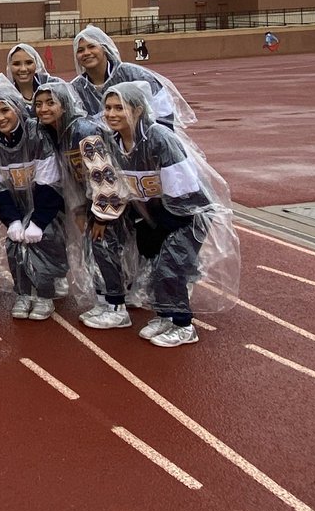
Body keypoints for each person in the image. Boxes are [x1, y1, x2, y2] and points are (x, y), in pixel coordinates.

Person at [102, 81, 238, 347]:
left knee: (170, 267)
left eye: (120, 107)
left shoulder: (159, 139)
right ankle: (165, 315)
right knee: (155, 267)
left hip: (188, 214)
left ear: (138, 110)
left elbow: (185, 193)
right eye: (107, 108)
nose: (112, 114)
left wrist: (162, 227)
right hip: (157, 215)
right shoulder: (114, 142)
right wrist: (144, 222)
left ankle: (184, 325)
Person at [32, 80, 131, 329]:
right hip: (91, 201)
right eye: (39, 104)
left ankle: (118, 307)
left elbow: (104, 175)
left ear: (64, 105)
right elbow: (72, 178)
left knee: (106, 248)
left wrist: (102, 217)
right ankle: (103, 300)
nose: (43, 108)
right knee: (94, 251)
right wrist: (78, 208)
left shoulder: (82, 131)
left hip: (110, 202)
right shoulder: (55, 133)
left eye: (50, 103)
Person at [0, 75, 72, 321]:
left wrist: (39, 221)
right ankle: (23, 292)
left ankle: (44, 293)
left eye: (4, 110)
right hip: (16, 206)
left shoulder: (36, 134)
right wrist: (13, 220)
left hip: (47, 205)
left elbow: (49, 182)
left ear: (17, 108)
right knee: (14, 245)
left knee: (44, 240)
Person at [70, 25, 194, 129]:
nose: (86, 53)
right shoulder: (74, 89)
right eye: (80, 50)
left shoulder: (133, 75)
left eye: (92, 46)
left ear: (104, 48)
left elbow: (163, 111)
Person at [6, 43, 52, 111]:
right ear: (9, 67)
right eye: (16, 64)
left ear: (36, 64)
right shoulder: (6, 96)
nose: (23, 69)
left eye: (29, 63)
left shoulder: (51, 86)